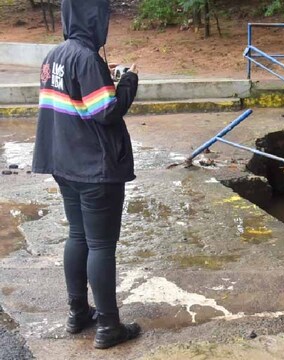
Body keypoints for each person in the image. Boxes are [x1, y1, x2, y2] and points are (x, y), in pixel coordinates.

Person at [32, 0, 140, 350]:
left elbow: (76, 101)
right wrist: (128, 83)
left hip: (63, 163)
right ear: (95, 18)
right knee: (101, 245)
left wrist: (103, 77)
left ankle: (78, 313)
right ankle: (109, 326)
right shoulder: (85, 58)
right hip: (95, 168)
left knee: (77, 236)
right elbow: (105, 111)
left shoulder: (54, 56)